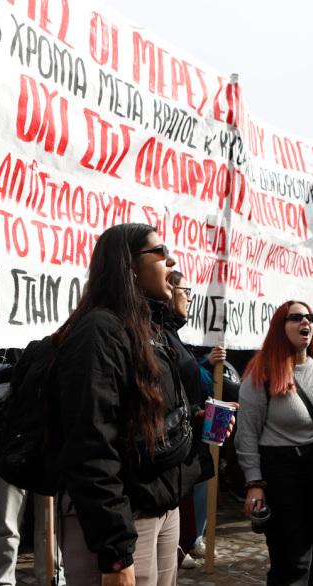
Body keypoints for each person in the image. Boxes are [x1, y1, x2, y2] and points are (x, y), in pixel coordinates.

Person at [53, 223, 208, 586]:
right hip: (123, 517)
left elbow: (148, 420)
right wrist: (116, 554)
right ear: (129, 264)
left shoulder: (152, 330)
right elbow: (91, 446)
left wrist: (195, 424)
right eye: (159, 251)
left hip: (162, 508)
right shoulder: (99, 332)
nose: (171, 259)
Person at [235, 301, 313, 586]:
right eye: (295, 317)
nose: (305, 322)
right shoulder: (260, 374)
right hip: (283, 475)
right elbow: (246, 434)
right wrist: (254, 484)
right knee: (292, 565)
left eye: (309, 317)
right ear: (279, 327)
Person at [161, 271, 227, 567]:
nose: (189, 297)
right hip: (170, 453)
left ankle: (189, 542)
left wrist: (204, 413)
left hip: (188, 446)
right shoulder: (159, 336)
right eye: (185, 290)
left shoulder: (173, 335)